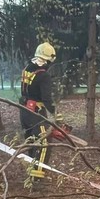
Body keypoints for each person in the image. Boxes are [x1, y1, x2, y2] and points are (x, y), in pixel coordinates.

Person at [19, 42, 57, 178]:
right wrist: (55, 114)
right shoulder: (44, 76)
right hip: (36, 113)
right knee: (44, 143)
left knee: (31, 140)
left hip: (24, 110)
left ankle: (31, 170)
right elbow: (46, 99)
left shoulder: (27, 68)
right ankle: (37, 177)